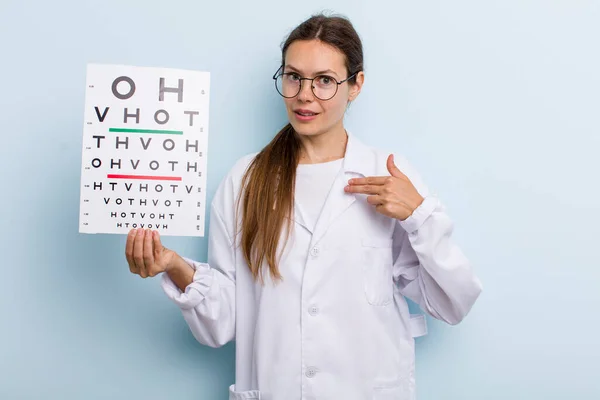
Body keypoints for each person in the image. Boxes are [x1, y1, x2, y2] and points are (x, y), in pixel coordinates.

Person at [125, 13, 482, 400]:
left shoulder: (387, 175)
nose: (304, 95)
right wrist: (176, 267)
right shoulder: (244, 180)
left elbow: (454, 302)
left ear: (355, 85)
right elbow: (220, 326)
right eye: (293, 77)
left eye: (325, 81)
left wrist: (419, 216)